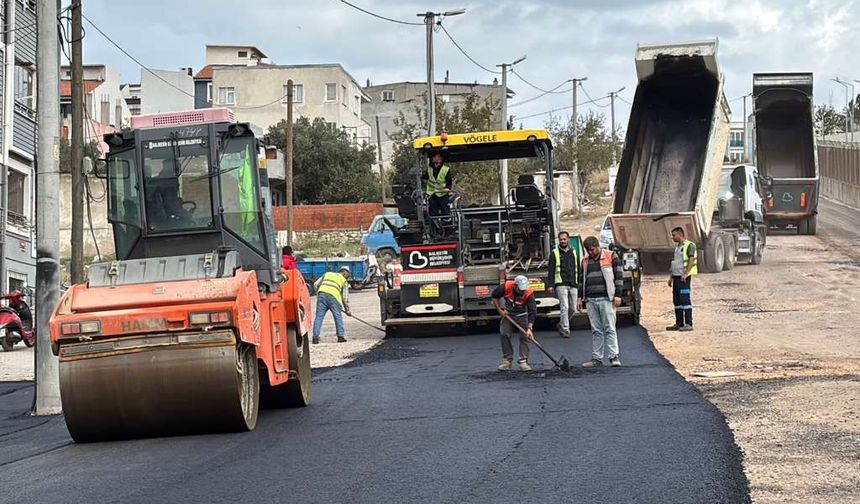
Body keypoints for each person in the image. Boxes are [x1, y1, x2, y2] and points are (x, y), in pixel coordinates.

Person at [577, 236, 624, 368]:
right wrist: (580, 297)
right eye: (588, 251)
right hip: (591, 299)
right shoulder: (585, 261)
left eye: (592, 250)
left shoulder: (611, 256)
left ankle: (614, 357)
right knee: (596, 330)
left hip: (606, 298)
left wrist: (618, 295)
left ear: (598, 246)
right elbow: (581, 280)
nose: (590, 253)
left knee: (609, 328)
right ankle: (597, 359)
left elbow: (618, 276)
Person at [492, 275, 537, 372]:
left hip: (522, 315)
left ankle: (523, 361)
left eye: (524, 289)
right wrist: (500, 311)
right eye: (521, 290)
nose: (523, 292)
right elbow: (494, 297)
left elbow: (532, 311)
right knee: (504, 334)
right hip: (508, 314)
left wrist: (530, 328)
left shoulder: (529, 293)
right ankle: (507, 361)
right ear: (515, 286)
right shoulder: (505, 287)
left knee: (525, 337)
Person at [546, 231, 581, 338]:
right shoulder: (554, 253)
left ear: (568, 239)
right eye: (561, 239)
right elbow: (551, 270)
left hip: (573, 283)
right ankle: (566, 330)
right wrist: (551, 285)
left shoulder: (574, 252)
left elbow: (578, 268)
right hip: (561, 283)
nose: (563, 241)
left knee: (573, 309)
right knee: (564, 306)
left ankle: (561, 324)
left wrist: (578, 283)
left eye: (564, 239)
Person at [667, 227, 697, 332]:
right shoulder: (677, 247)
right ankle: (679, 323)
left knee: (685, 299)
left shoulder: (689, 245)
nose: (672, 237)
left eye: (674, 235)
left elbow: (691, 260)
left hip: (684, 278)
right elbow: (675, 263)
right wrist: (671, 277)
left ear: (680, 234)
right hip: (676, 277)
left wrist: (686, 274)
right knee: (677, 301)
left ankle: (689, 323)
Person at [312, 266, 351, 344]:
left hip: (322, 295)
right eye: (347, 276)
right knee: (338, 317)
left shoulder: (327, 274)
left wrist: (319, 293)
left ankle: (315, 338)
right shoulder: (343, 281)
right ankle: (340, 337)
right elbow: (345, 297)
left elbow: (316, 284)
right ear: (344, 273)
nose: (347, 278)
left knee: (319, 317)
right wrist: (347, 310)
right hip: (334, 298)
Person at [421, 152, 452, 221]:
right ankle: (435, 229)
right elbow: (426, 176)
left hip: (442, 194)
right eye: (433, 157)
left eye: (435, 157)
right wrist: (421, 177)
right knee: (432, 213)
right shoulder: (430, 168)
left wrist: (448, 188)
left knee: (446, 212)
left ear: (440, 159)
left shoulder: (445, 169)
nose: (433, 158)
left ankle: (448, 228)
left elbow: (449, 181)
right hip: (432, 194)